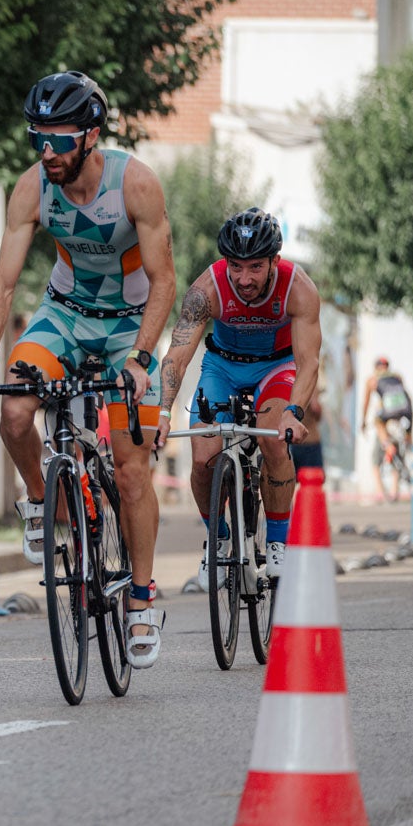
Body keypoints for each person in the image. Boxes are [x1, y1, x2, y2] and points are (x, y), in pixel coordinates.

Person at [0, 71, 175, 669]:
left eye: (58, 139)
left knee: (132, 471)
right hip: (64, 314)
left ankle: (139, 597)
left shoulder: (136, 184)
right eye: (38, 139)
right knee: (13, 413)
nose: (47, 152)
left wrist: (140, 359)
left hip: (128, 324)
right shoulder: (31, 188)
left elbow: (165, 282)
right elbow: (3, 282)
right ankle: (41, 498)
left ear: (91, 136)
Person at [156, 207, 321, 586]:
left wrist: (294, 413)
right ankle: (218, 537)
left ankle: (277, 543)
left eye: (255, 267)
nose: (244, 278)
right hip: (222, 367)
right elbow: (178, 355)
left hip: (275, 369)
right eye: (236, 266)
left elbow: (309, 362)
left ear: (274, 262)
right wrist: (163, 411)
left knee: (275, 442)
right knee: (202, 456)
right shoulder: (207, 289)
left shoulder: (299, 288)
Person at [361, 357, 413, 502]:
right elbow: (403, 397)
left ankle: (379, 492)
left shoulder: (372, 379)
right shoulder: (397, 377)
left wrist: (363, 422)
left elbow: (366, 403)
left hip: (386, 417)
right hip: (403, 414)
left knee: (376, 457)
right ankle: (394, 491)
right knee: (399, 449)